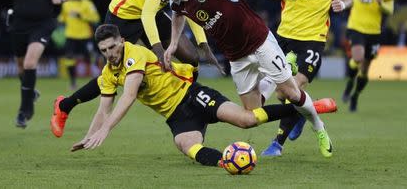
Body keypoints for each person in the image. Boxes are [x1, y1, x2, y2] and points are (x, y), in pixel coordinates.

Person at [71, 24, 336, 167]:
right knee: (186, 146)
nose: (110, 53)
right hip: (175, 115)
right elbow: (103, 108)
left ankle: (306, 108)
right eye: (104, 50)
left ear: (121, 41)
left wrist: (106, 130)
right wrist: (90, 135)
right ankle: (228, 162)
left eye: (113, 46)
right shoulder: (108, 72)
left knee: (246, 120)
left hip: (191, 95)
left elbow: (128, 96)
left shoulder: (135, 54)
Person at [152, 0, 336, 158]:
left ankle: (319, 127)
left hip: (259, 41)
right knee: (253, 113)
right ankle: (275, 79)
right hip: (236, 56)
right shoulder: (176, 2)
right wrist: (173, 44)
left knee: (291, 93)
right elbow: (178, 15)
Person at [51, 0, 221, 138]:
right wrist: (158, 48)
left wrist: (203, 43)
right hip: (124, 15)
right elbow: (145, 13)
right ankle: (65, 105)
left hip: (153, 13)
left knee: (191, 57)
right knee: (112, 73)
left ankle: (192, 106)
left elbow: (188, 7)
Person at [262, 0, 353, 155]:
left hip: (313, 40)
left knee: (293, 87)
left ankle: (277, 144)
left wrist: (341, 6)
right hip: (283, 37)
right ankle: (305, 112)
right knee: (283, 93)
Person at [0, 0, 73, 128]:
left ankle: (24, 111)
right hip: (19, 23)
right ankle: (31, 91)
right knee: (21, 66)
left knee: (30, 63)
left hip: (44, 23)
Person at [342, 0, 394, 111]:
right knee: (357, 57)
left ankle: (355, 95)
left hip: (374, 31)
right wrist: (343, 3)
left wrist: (381, 4)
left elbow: (390, 10)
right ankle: (350, 83)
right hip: (356, 26)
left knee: (364, 70)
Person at [58, 0, 100, 90]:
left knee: (90, 58)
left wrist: (82, 16)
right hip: (70, 35)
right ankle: (73, 82)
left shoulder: (87, 3)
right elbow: (61, 19)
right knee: (69, 57)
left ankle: (98, 79)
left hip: (85, 36)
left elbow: (95, 18)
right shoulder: (66, 4)